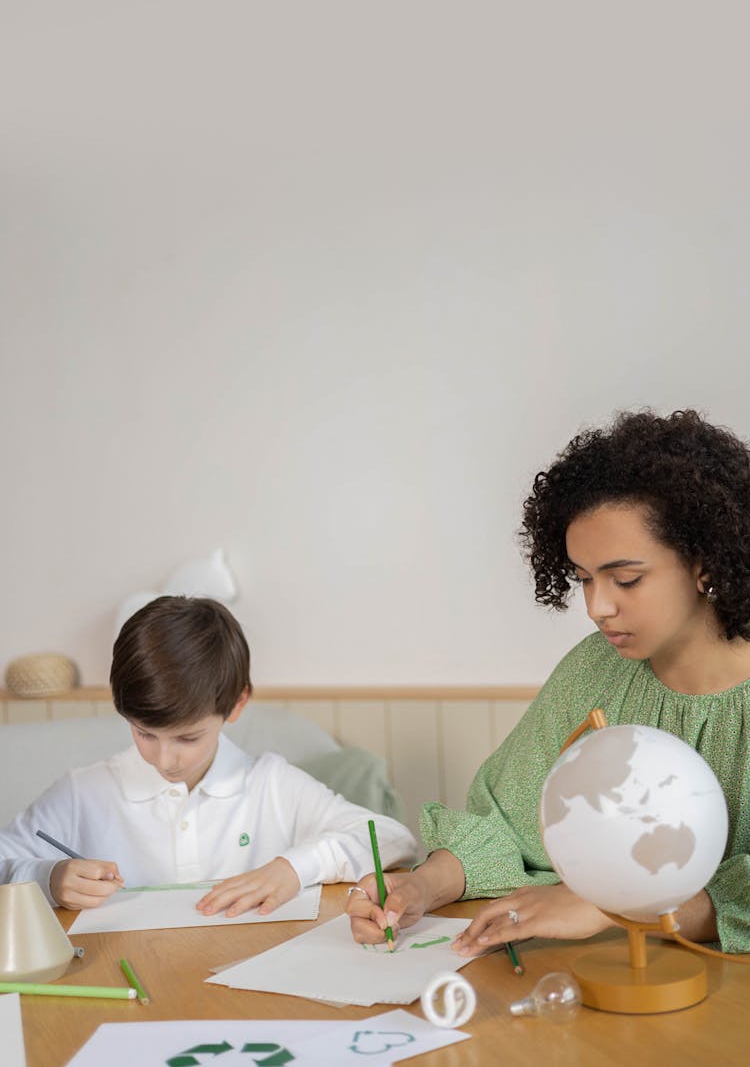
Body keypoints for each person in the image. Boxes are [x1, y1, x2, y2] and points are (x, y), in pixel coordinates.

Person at [347, 409, 750, 954]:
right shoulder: (595, 670)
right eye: (583, 579)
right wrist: (421, 885)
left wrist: (617, 906)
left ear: (706, 561)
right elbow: (510, 818)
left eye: (626, 579)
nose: (597, 607)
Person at [0, 597, 416, 912]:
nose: (165, 760)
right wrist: (48, 877)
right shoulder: (83, 793)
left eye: (187, 738)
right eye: (145, 734)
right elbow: (6, 859)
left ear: (236, 704)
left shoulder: (271, 786)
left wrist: (293, 868)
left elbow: (393, 840)